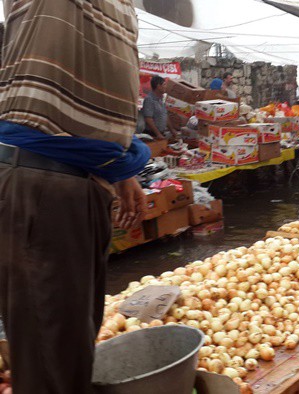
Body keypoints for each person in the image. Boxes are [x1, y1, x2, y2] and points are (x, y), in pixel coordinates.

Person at [0, 1, 149, 393]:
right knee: (51, 365)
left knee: (73, 349)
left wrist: (118, 168)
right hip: (42, 179)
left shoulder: (125, 9)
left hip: (87, 184)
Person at [142, 76, 176, 140]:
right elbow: (148, 119)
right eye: (164, 84)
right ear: (158, 86)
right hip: (152, 135)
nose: (166, 87)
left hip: (161, 134)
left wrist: (172, 130)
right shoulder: (149, 99)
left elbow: (165, 115)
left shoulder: (161, 99)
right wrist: (158, 134)